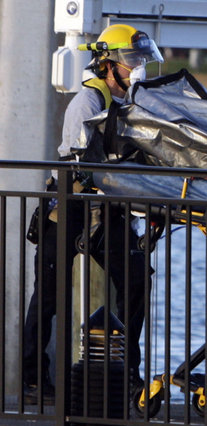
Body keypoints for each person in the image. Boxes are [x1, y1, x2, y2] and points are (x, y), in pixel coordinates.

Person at [22, 24, 163, 405]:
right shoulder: (86, 104)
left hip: (108, 208)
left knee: (136, 282)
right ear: (108, 65)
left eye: (139, 60)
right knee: (48, 295)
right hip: (69, 207)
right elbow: (84, 164)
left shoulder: (130, 104)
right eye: (131, 61)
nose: (138, 68)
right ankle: (32, 379)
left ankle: (126, 371)